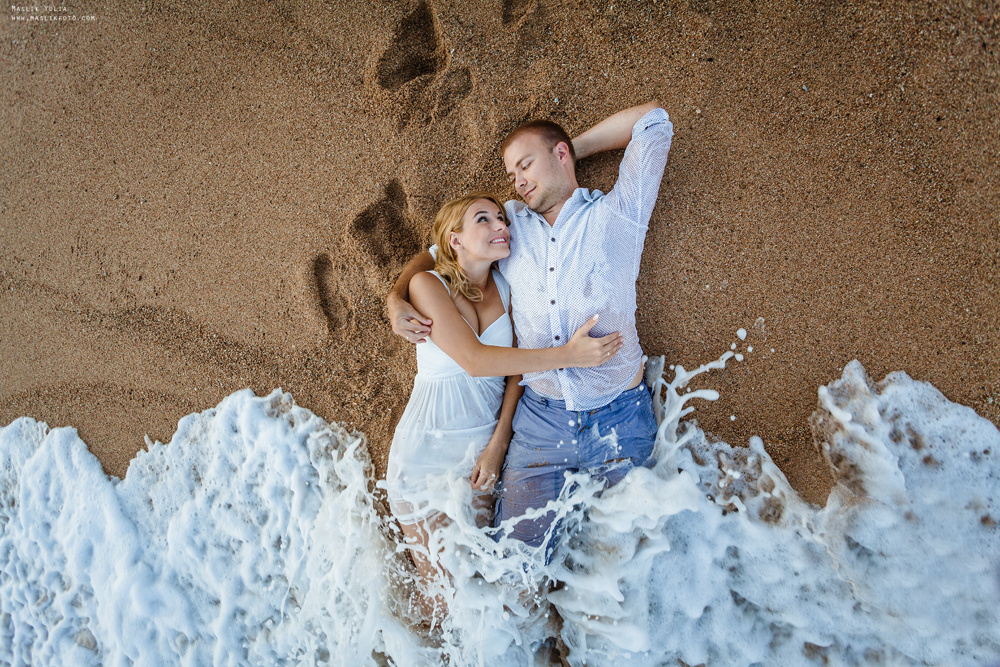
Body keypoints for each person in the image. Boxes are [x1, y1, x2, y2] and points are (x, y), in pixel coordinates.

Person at [388, 101, 673, 558]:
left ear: (560, 154)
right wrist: (395, 295)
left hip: (619, 415)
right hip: (540, 422)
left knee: (623, 563)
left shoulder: (620, 212)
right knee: (516, 568)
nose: (518, 181)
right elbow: (441, 249)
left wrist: (572, 149)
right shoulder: (512, 225)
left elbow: (652, 120)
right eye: (512, 174)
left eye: (526, 165)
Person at [385, 192, 623, 620]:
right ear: (455, 240)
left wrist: (498, 443)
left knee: (483, 581)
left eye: (501, 217)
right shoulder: (427, 285)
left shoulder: (509, 287)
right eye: (484, 219)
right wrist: (567, 355)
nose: (501, 225)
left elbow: (515, 374)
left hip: (481, 448)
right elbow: (476, 361)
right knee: (445, 595)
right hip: (424, 454)